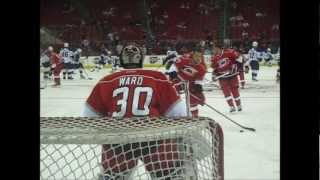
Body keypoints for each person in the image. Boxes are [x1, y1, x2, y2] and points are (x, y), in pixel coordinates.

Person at [82, 44, 189, 179]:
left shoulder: (107, 80)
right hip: (154, 138)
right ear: (141, 58)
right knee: (167, 176)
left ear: (121, 59)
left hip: (117, 141)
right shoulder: (157, 77)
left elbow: (88, 116)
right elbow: (179, 113)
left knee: (114, 177)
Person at [164, 47, 207, 117]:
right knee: (171, 91)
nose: (198, 58)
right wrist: (172, 72)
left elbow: (198, 82)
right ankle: (170, 110)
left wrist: (198, 90)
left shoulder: (201, 69)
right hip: (178, 80)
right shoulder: (184, 60)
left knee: (194, 100)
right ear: (192, 56)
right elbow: (174, 64)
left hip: (190, 83)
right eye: (196, 56)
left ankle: (194, 116)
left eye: (200, 56)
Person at [211, 43, 243, 112]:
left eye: (214, 48)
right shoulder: (214, 58)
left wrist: (235, 67)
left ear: (218, 48)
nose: (213, 50)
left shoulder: (229, 53)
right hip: (222, 78)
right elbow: (215, 69)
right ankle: (231, 106)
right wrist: (214, 75)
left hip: (232, 76)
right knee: (226, 92)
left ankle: (239, 105)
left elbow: (239, 59)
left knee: (235, 91)